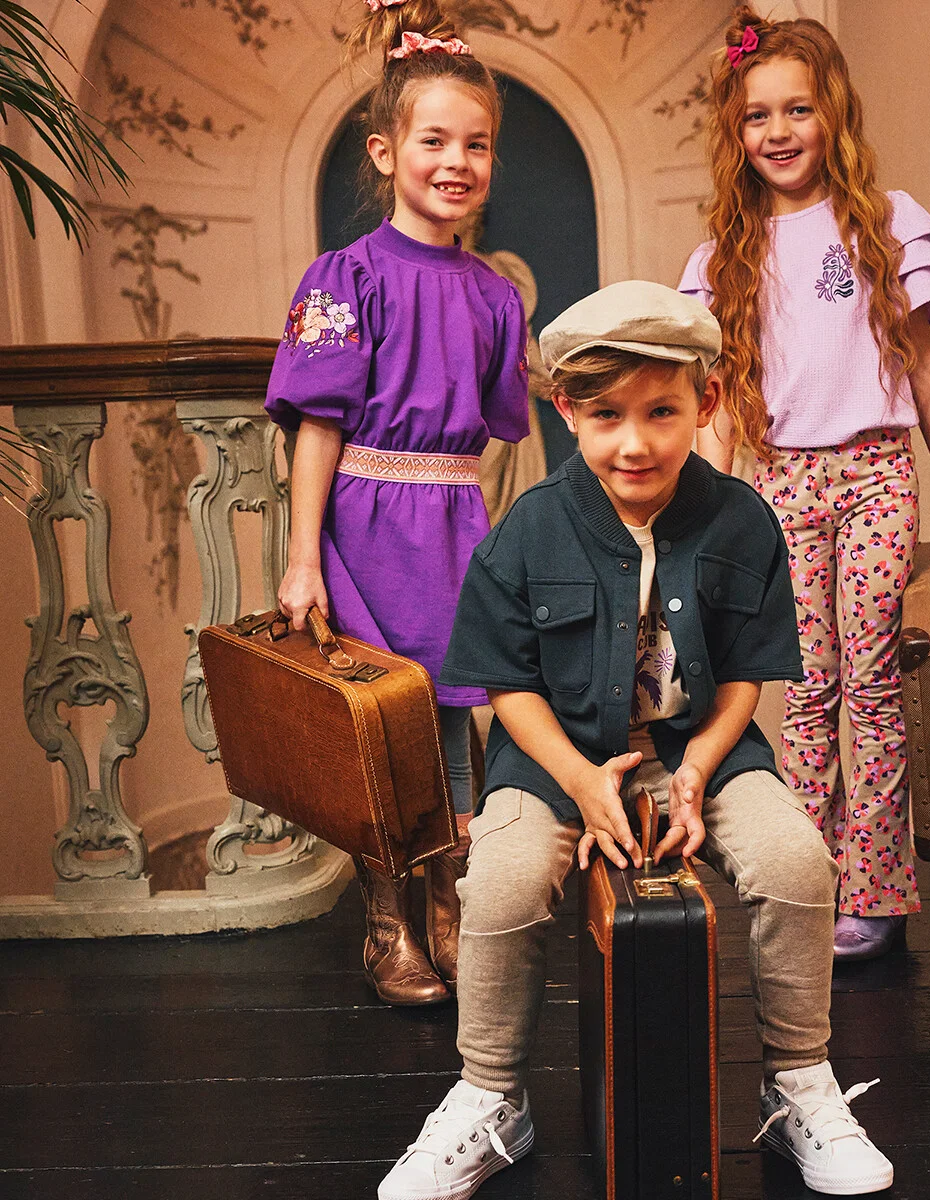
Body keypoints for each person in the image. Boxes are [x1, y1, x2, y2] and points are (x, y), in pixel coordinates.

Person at [376, 281, 895, 1199]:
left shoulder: (741, 519)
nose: (636, 443)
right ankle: (490, 1094)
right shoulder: (530, 528)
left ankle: (798, 1084)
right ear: (567, 411)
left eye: (663, 411)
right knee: (499, 884)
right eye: (607, 415)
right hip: (554, 757)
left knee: (798, 862)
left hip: (701, 750)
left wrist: (696, 770)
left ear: (707, 399)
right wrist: (580, 781)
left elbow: (746, 676)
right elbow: (507, 685)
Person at [681, 6, 930, 961]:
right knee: (806, 691)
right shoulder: (723, 260)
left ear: (833, 113)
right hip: (778, 486)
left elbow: (924, 369)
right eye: (757, 115)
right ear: (736, 131)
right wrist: (703, 522)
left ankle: (877, 894)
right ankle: (808, 883)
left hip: (876, 475)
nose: (778, 131)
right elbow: (718, 412)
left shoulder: (881, 225)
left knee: (875, 688)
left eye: (798, 110)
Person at [265, 0, 529, 1004]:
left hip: (452, 530)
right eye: (434, 140)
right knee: (379, 726)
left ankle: (451, 910)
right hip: (362, 530)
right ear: (384, 151)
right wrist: (304, 558)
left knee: (454, 722)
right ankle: (388, 927)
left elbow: (498, 426)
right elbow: (317, 427)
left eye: (477, 144)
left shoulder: (496, 296)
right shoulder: (345, 278)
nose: (456, 161)